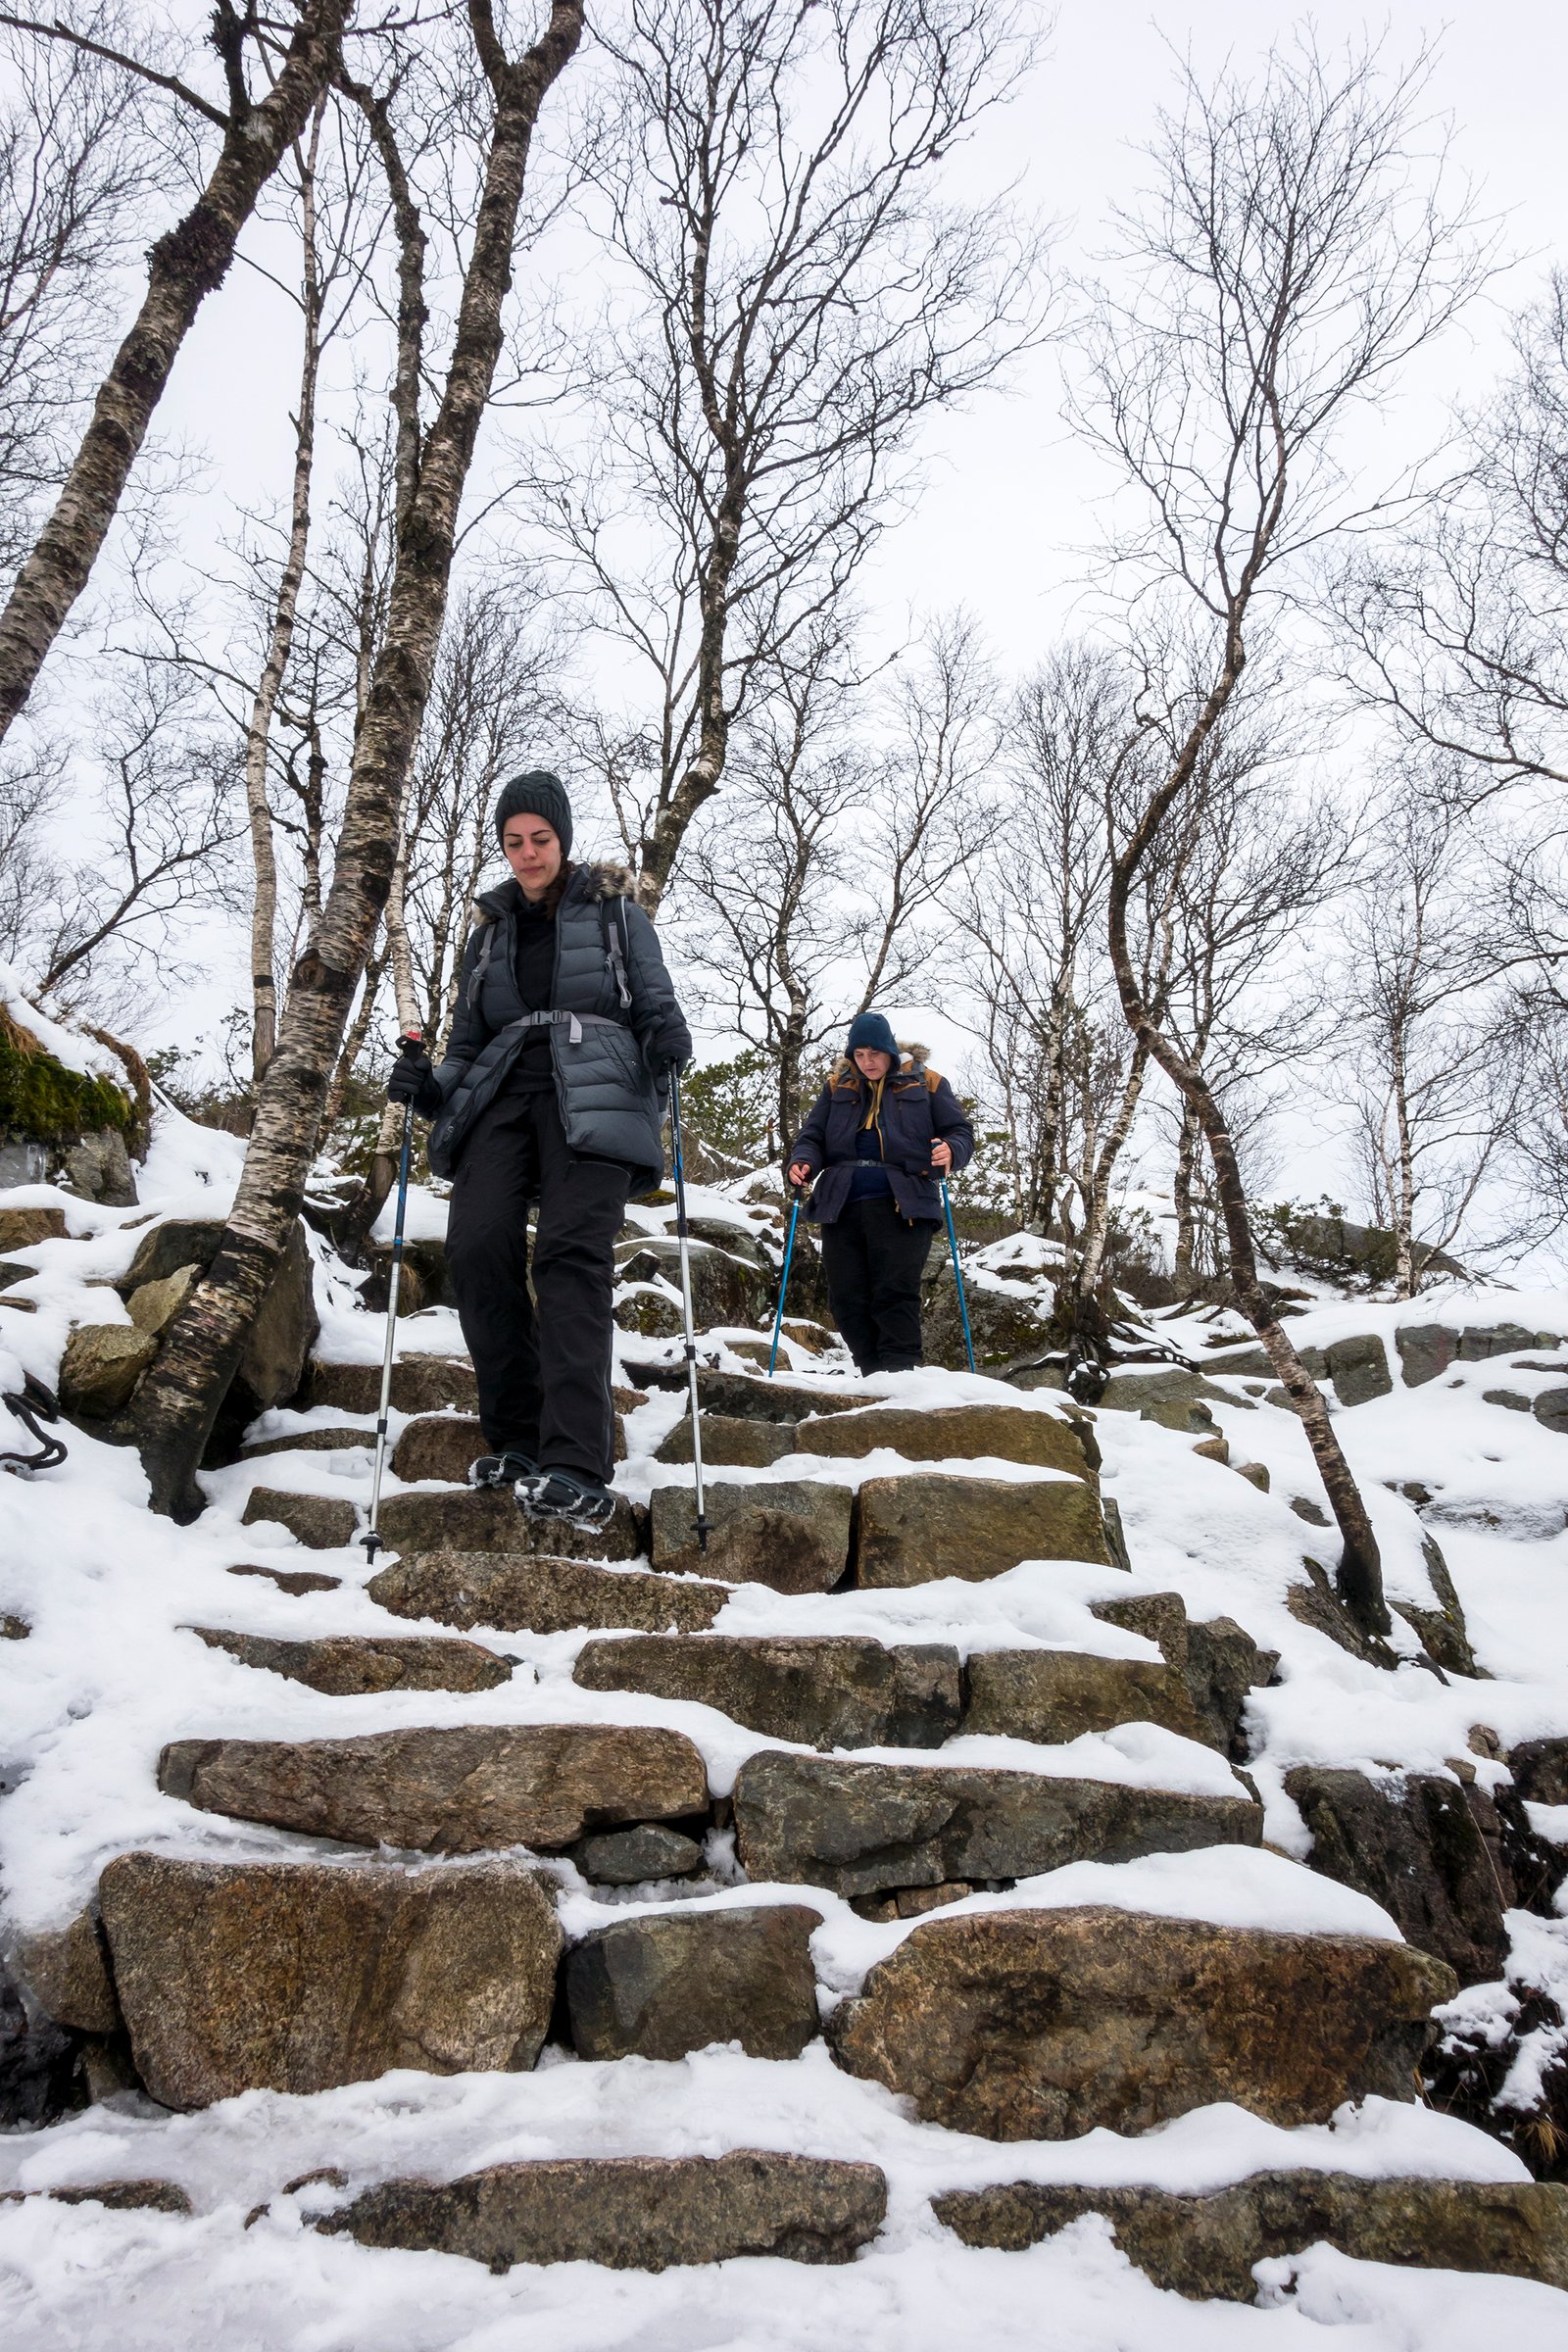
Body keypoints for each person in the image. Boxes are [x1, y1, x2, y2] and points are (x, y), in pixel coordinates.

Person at [387, 769, 690, 1529]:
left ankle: (576, 1463)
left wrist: (664, 1034)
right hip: (502, 1100)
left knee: (567, 1258)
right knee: (478, 1247)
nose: (527, 854)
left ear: (563, 839)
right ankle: (518, 1440)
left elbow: (652, 995)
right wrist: (430, 1086)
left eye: (540, 840)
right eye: (514, 842)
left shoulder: (616, 913)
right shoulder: (487, 934)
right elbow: (466, 1043)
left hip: (595, 1096)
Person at [786, 1011, 973, 1375]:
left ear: (888, 1050)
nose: (867, 1061)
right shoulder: (837, 1086)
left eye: (874, 1053)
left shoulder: (928, 1083)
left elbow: (960, 1132)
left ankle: (901, 1376)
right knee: (845, 1298)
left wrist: (951, 1149)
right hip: (840, 1204)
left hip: (904, 1202)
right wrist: (803, 1160)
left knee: (895, 1293)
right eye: (859, 1054)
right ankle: (871, 1375)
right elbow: (813, 1136)